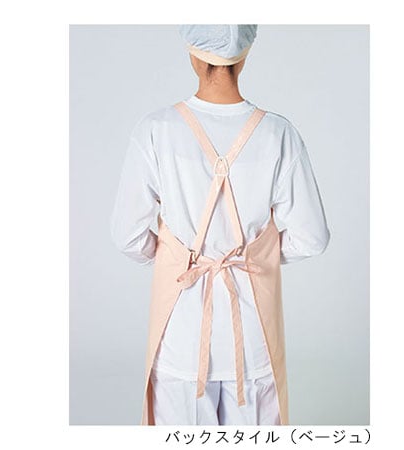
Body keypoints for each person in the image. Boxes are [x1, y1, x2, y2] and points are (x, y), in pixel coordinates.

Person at [110, 24, 330, 426]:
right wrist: (255, 258)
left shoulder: (156, 130)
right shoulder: (278, 134)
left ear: (193, 55)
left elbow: (128, 235)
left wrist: (179, 260)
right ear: (244, 57)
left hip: (180, 338)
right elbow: (312, 237)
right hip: (254, 345)